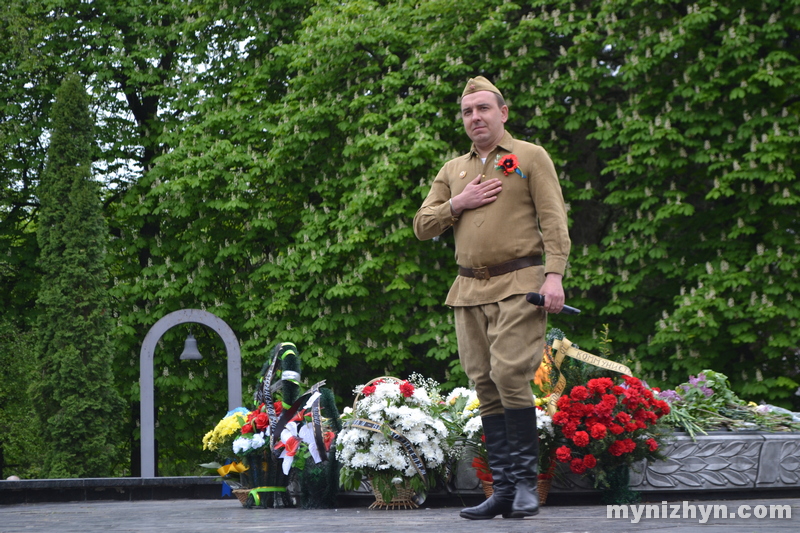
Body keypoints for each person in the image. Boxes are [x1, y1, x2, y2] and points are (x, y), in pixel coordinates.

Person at [413, 76, 571, 520]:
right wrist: (457, 203)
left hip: (520, 282)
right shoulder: (452, 171)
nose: (475, 117)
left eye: (483, 108)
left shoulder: (529, 156)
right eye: (467, 111)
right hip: (468, 289)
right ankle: (503, 491)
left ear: (503, 112)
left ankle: (524, 486)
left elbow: (554, 221)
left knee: (508, 373)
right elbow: (423, 225)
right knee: (483, 382)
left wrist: (554, 277)